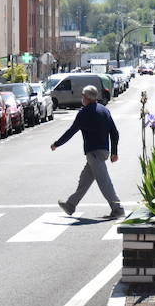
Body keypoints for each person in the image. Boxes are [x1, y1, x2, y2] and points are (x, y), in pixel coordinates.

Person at [51, 84, 124, 218]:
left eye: (83, 96)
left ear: (87, 98)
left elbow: (71, 131)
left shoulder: (84, 113)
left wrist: (57, 144)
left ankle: (117, 208)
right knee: (85, 179)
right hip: (103, 152)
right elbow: (114, 132)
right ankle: (70, 204)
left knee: (104, 181)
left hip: (94, 153)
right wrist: (114, 152)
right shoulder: (104, 110)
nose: (82, 98)